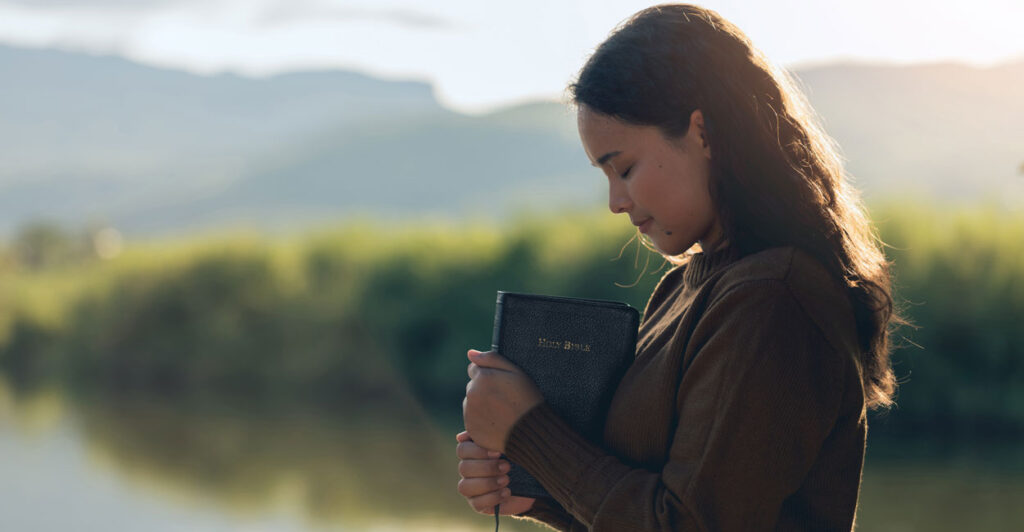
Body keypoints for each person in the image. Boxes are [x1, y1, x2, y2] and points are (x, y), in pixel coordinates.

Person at [457, 4, 907, 531]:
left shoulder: (772, 299)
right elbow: (661, 501)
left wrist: (529, 430)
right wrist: (537, 491)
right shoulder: (685, 288)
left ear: (703, 132)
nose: (615, 202)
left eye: (624, 168)